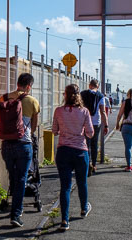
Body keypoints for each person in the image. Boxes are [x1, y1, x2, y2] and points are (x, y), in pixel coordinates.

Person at [0, 73, 40, 227]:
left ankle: (13, 206)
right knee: (21, 179)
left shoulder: (4, 98)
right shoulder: (32, 101)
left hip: (7, 144)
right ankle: (16, 214)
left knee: (13, 177)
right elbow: (34, 126)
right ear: (28, 86)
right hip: (24, 145)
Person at [52, 84, 94, 231]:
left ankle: (64, 220)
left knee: (65, 186)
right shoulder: (84, 112)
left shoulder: (58, 111)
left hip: (63, 151)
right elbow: (90, 133)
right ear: (78, 96)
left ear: (65, 95)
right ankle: (83, 208)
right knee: (82, 182)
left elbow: (54, 131)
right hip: (80, 152)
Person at [80, 79, 109, 175]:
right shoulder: (101, 96)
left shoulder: (83, 94)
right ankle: (94, 165)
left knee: (86, 145)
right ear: (98, 86)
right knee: (94, 144)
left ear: (89, 85)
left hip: (84, 122)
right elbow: (103, 112)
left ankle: (87, 165)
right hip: (96, 123)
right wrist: (106, 125)